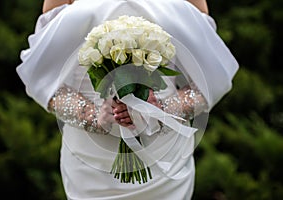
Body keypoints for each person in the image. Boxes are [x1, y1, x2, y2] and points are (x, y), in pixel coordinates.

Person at [16, 0, 239, 199]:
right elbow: (42, 78)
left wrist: (162, 111)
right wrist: (94, 116)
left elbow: (210, 77)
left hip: (164, 162)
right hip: (91, 166)